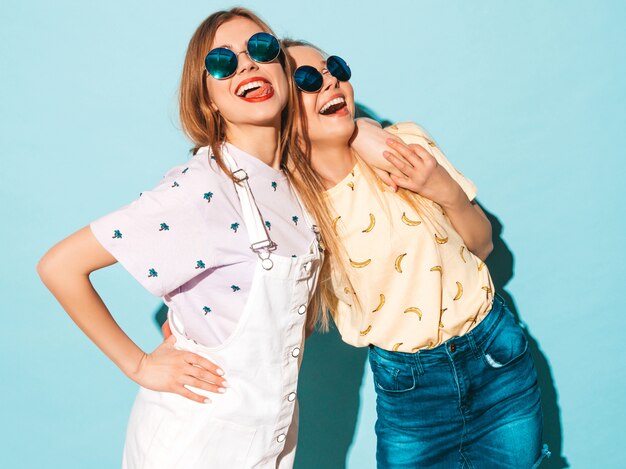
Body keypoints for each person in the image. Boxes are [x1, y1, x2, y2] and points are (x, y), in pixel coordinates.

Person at [37, 9, 326, 468]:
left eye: (261, 49)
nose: (247, 65)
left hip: (269, 442)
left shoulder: (296, 186)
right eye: (222, 62)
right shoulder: (201, 188)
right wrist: (139, 365)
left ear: (285, 72)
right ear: (208, 99)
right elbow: (58, 266)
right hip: (194, 444)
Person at [283, 41, 549, 468]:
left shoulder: (405, 144)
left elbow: (483, 244)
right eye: (307, 79)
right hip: (410, 391)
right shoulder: (293, 207)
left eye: (333, 67)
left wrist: (440, 186)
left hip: (495, 359)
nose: (330, 79)